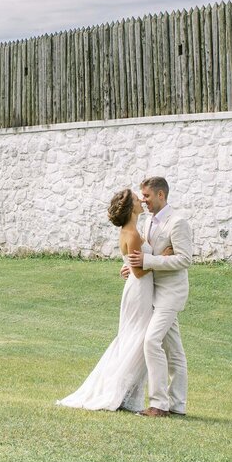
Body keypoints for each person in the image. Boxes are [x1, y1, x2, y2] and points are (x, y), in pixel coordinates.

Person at [56, 189, 169, 412]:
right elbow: (138, 272)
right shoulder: (133, 234)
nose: (141, 202)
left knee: (133, 338)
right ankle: (116, 390)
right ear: (130, 208)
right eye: (138, 200)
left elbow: (133, 264)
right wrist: (162, 258)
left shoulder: (132, 231)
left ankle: (126, 393)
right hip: (139, 291)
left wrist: (140, 263)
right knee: (137, 339)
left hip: (139, 290)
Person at [123, 176, 192, 418]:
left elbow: (185, 259)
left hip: (171, 294)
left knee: (151, 341)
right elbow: (146, 255)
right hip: (153, 291)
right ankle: (178, 405)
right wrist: (133, 266)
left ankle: (159, 404)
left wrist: (148, 261)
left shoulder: (178, 222)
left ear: (161, 195)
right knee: (174, 352)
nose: (144, 200)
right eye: (142, 196)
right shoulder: (148, 223)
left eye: (148, 196)